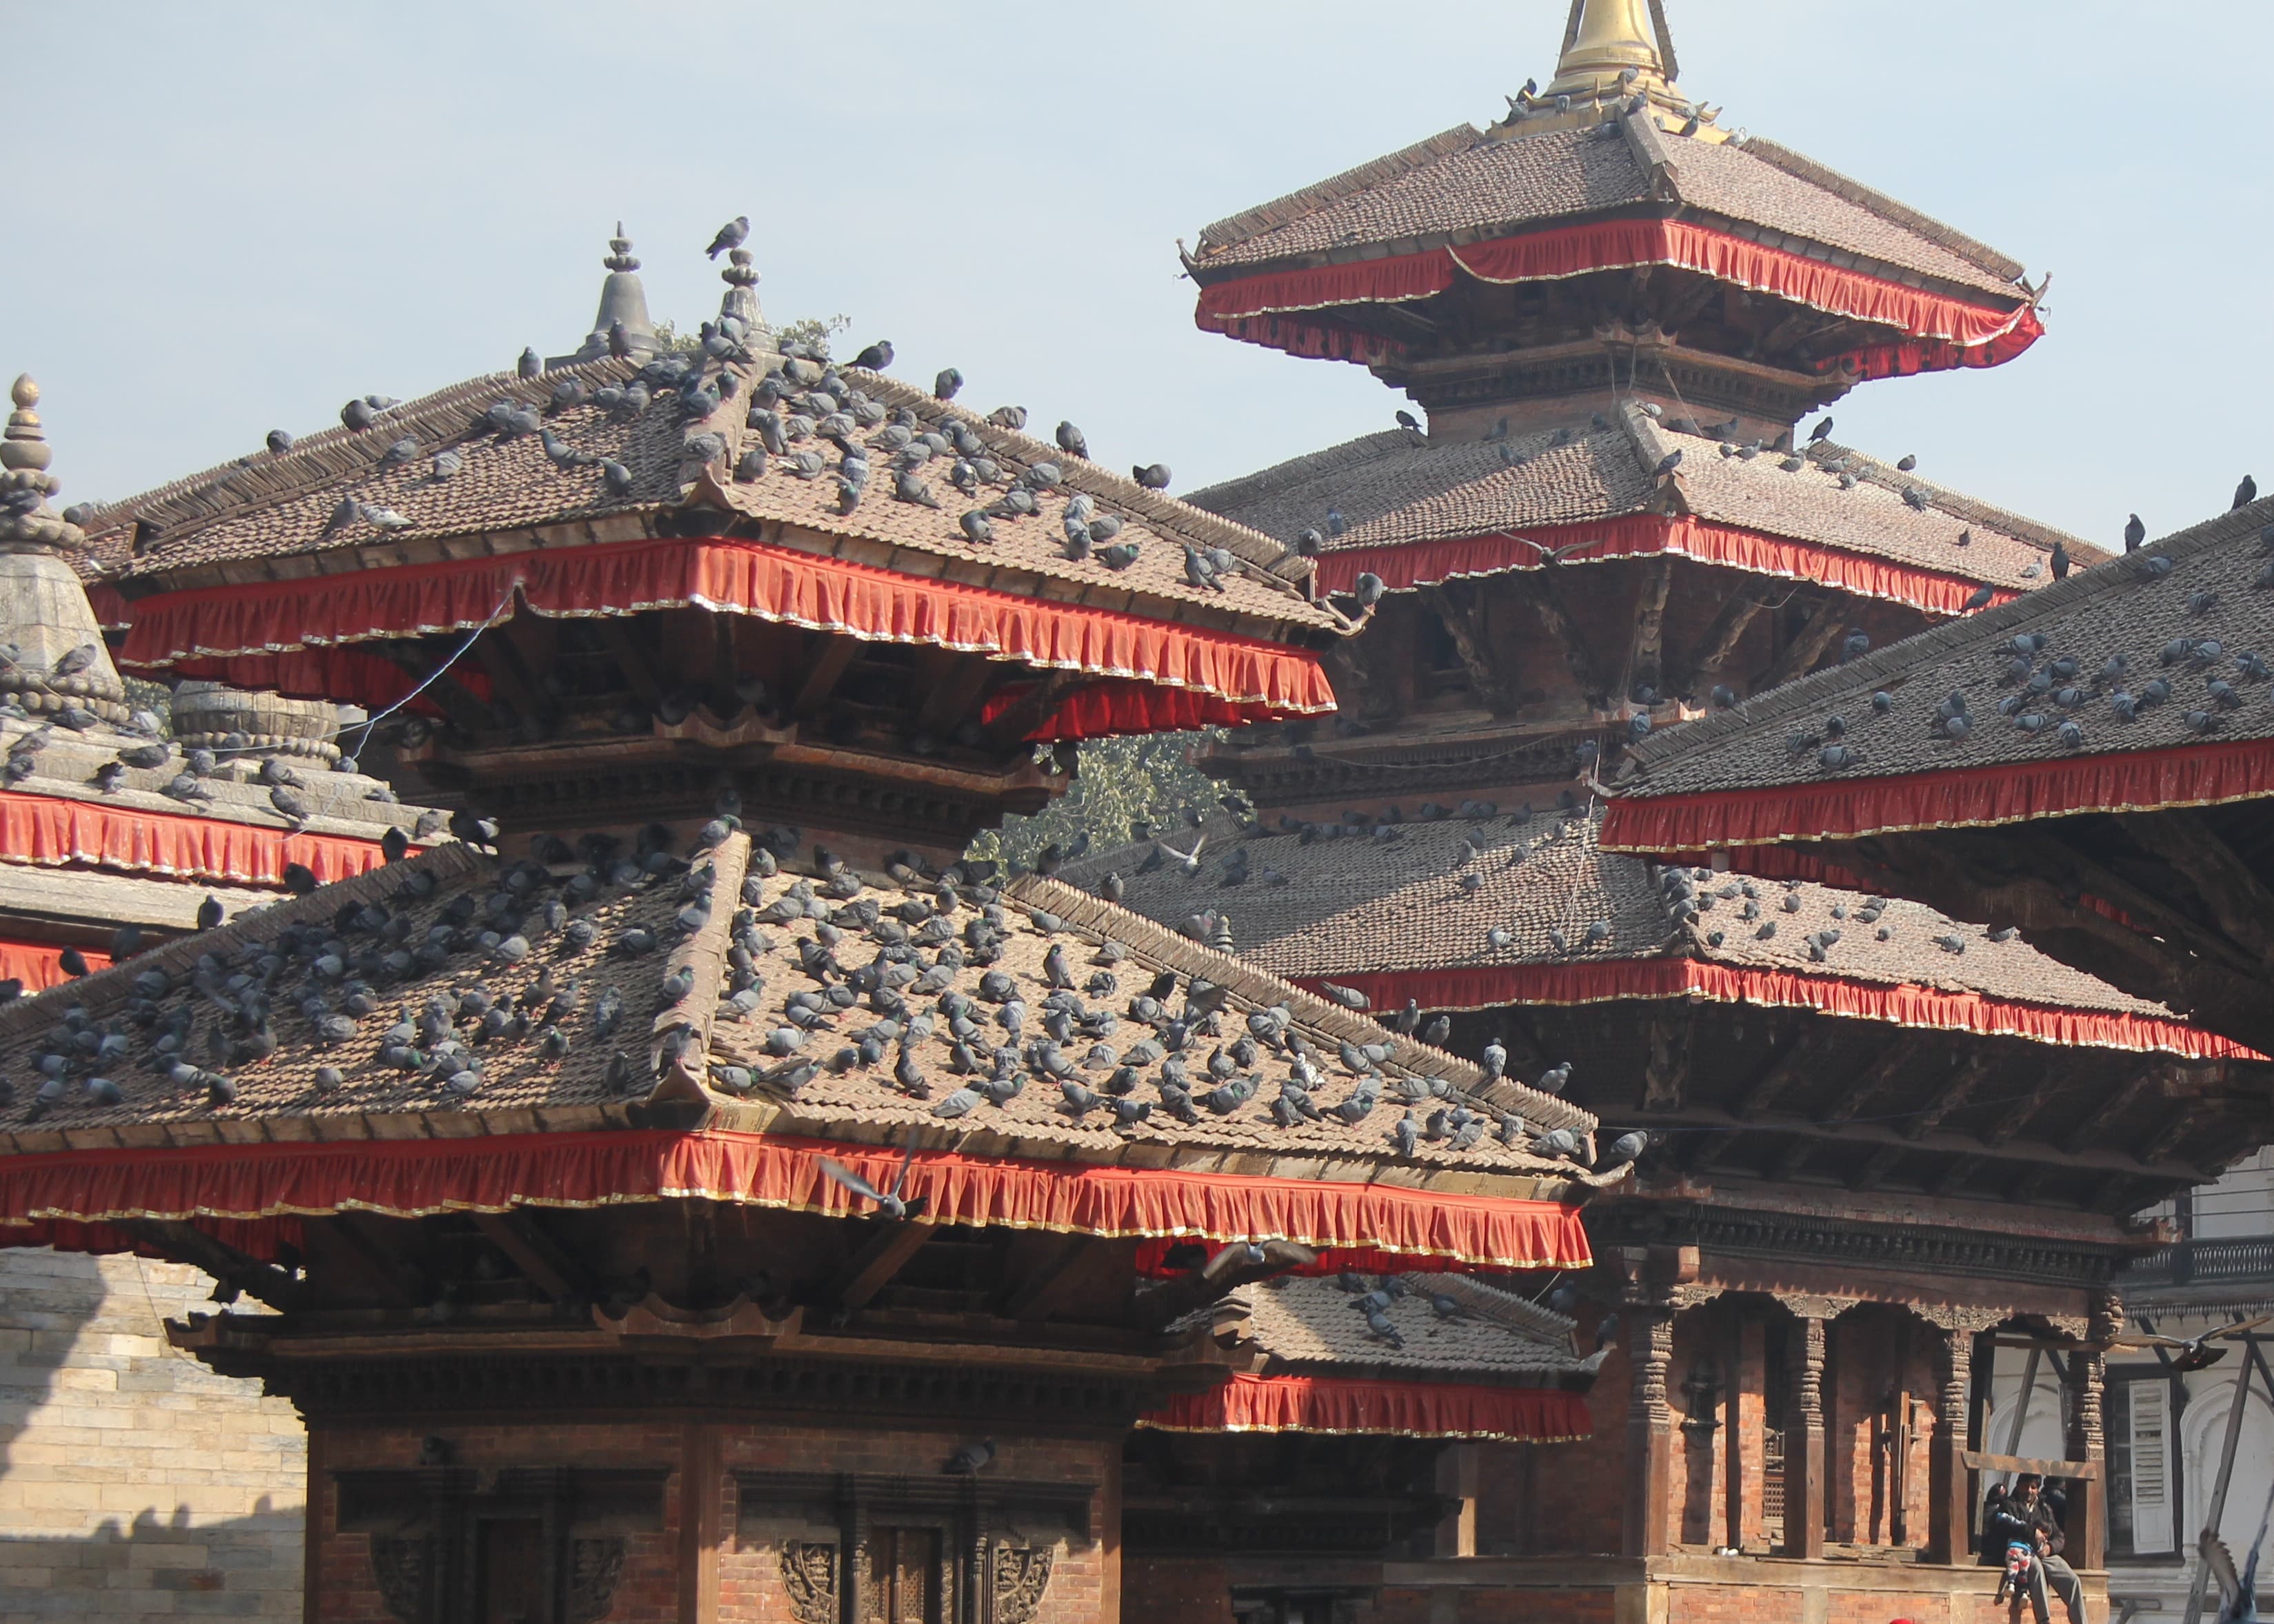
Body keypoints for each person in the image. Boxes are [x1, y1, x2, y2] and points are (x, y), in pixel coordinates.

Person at [1986, 1474, 2086, 1624]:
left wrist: (2049, 1548)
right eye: (2026, 1486)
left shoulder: (2044, 1508)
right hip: (2021, 1550)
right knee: (2037, 1569)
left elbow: (2059, 1537)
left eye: (2033, 1487)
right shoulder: (2009, 1505)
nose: (2029, 1491)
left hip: (2043, 1552)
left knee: (2072, 1580)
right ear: (2018, 1485)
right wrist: (2032, 1531)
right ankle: (2044, 1620)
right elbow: (2006, 1526)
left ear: (2038, 1490)